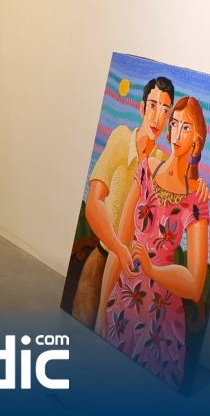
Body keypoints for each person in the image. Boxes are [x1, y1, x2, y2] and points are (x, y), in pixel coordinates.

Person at [98, 96, 210, 389]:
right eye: (174, 124)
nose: (176, 133)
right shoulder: (147, 169)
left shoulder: (196, 199)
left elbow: (194, 284)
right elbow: (120, 243)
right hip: (124, 298)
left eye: (186, 128)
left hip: (160, 313)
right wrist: (101, 309)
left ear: (197, 141)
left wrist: (153, 270)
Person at [71, 77, 174, 332]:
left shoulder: (161, 160)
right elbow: (94, 203)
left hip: (132, 278)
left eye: (165, 109)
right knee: (80, 332)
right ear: (142, 108)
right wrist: (119, 247)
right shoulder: (121, 138)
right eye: (153, 106)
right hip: (102, 260)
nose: (157, 117)